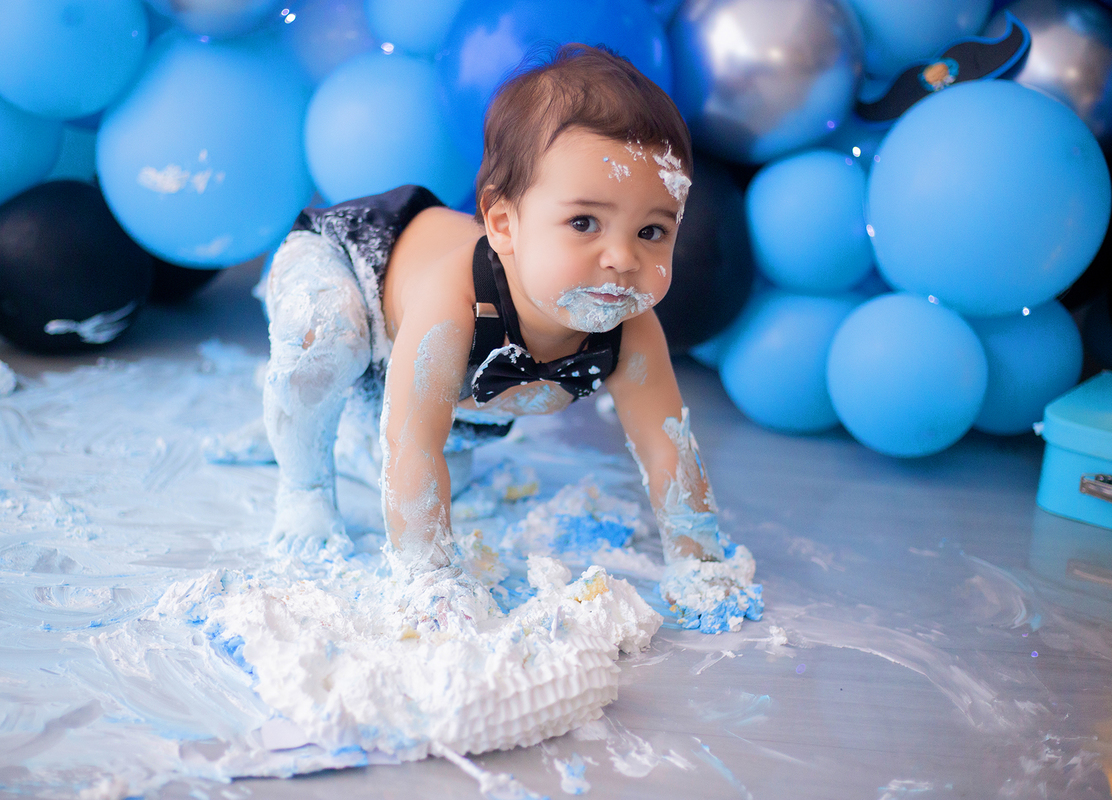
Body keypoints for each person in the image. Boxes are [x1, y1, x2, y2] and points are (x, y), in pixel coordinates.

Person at [261, 43, 760, 634]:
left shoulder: (630, 329)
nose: (623, 258)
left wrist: (697, 559)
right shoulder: (456, 303)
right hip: (349, 266)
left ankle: (353, 435)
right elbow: (413, 442)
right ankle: (306, 484)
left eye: (652, 231)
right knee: (329, 345)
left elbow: (666, 446)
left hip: (447, 381)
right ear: (503, 223)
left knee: (455, 477)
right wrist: (430, 577)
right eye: (584, 223)